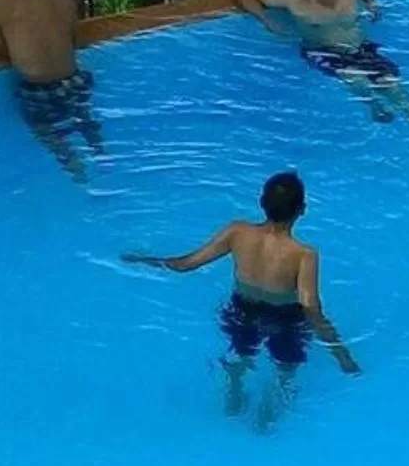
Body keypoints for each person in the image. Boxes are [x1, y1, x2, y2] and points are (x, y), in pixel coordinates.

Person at [122, 171, 359, 430]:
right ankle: (266, 415)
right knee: (285, 369)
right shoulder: (304, 255)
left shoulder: (238, 232)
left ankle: (233, 393)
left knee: (241, 356)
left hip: (242, 310)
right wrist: (341, 354)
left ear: (261, 202)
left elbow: (185, 264)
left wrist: (144, 260)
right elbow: (310, 308)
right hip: (285, 320)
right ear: (302, 209)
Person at [236, 0, 409, 150]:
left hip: (360, 49)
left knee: (398, 92)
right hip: (323, 51)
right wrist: (265, 20)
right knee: (355, 78)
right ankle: (374, 106)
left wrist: (371, 2)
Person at [0, 0, 103, 181]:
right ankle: (101, 153)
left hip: (38, 91)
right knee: (83, 114)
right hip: (74, 81)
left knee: (42, 128)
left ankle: (76, 170)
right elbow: (74, 40)